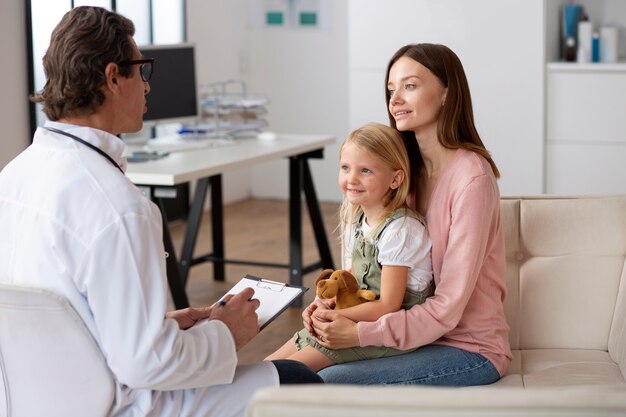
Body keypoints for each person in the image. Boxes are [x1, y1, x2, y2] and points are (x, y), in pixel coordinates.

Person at [0, 6, 320, 417]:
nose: (148, 88)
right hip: (119, 404)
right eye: (141, 70)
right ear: (114, 77)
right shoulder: (120, 208)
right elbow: (147, 364)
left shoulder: (13, 177)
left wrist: (163, 323)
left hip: (33, 400)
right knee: (297, 380)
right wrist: (228, 333)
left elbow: (59, 314)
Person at [303, 43, 512, 386]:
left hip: (469, 349)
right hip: (409, 341)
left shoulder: (472, 179)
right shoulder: (401, 175)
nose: (395, 99)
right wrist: (329, 306)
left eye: (410, 86)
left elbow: (446, 308)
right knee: (289, 364)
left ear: (447, 93)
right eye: (391, 89)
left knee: (324, 379)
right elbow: (369, 272)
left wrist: (359, 334)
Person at [266, 123, 433, 371]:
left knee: (284, 373)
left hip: (385, 330)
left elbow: (389, 305)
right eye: (345, 168)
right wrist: (323, 304)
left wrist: (338, 317)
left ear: (395, 179)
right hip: (360, 314)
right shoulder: (360, 218)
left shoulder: (401, 230)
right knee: (267, 365)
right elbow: (353, 279)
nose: (351, 179)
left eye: (365, 170)